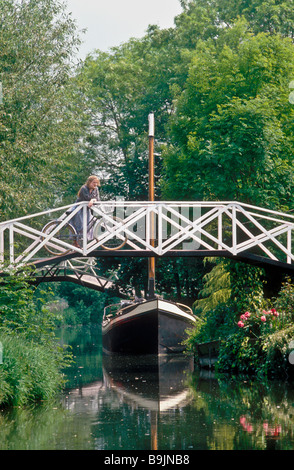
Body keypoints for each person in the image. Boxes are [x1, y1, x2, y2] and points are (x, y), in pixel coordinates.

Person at [71, 175, 101, 244]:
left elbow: (98, 200)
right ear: (89, 182)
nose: (95, 184)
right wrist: (93, 200)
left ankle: (83, 245)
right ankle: (75, 243)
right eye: (94, 182)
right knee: (79, 226)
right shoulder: (84, 188)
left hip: (86, 210)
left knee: (87, 226)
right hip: (79, 209)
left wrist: (93, 200)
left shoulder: (96, 189)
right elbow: (87, 198)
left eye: (96, 183)